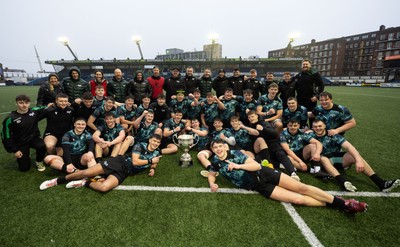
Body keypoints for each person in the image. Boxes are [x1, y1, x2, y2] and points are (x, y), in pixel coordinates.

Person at [206, 139, 368, 214]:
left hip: (265, 173)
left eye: (220, 146)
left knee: (302, 188)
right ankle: (342, 204)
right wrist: (212, 183)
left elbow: (255, 165)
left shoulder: (235, 154)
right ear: (213, 151)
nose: (218, 149)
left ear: (225, 146)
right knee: (298, 199)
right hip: (259, 186)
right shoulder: (215, 162)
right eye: (215, 148)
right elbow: (212, 174)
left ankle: (344, 203)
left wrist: (238, 165)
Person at [39, 134, 163, 192]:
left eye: (158, 142)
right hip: (119, 162)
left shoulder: (156, 152)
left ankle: (85, 183)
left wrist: (153, 168)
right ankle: (56, 181)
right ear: (150, 140)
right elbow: (136, 162)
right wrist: (151, 161)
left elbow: (154, 161)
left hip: (126, 172)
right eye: (154, 141)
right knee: (85, 172)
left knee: (104, 188)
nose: (155, 143)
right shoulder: (140, 145)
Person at [310, 119, 400, 192]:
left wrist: (358, 160)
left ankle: (381, 183)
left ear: (325, 126)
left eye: (320, 126)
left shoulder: (332, 135)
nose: (318, 128)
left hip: (336, 158)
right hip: (323, 161)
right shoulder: (310, 135)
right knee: (323, 158)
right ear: (312, 127)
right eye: (315, 126)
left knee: (353, 155)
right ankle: (343, 182)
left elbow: (349, 146)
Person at [1, 94, 46, 172]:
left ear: (29, 103)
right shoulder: (10, 118)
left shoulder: (34, 111)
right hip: (20, 142)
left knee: (41, 145)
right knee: (24, 168)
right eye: (21, 103)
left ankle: (39, 161)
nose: (24, 105)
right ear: (16, 103)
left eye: (26, 102)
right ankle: (25, 155)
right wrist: (14, 150)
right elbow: (5, 136)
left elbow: (44, 107)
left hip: (33, 138)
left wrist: (52, 105)